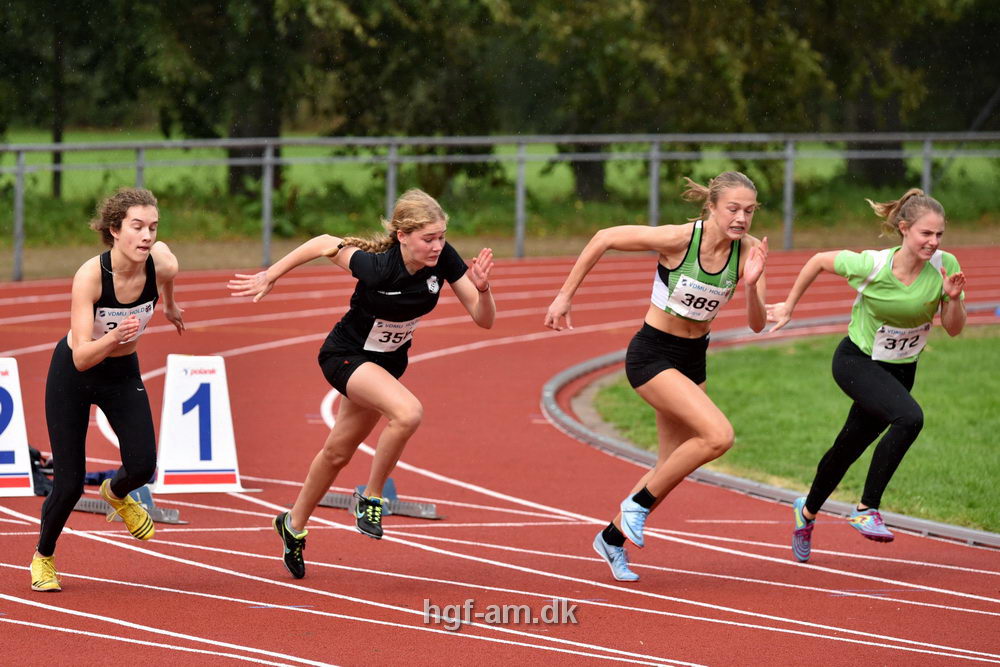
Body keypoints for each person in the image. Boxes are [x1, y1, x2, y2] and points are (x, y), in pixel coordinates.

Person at [228, 189, 495, 579]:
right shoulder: (377, 267)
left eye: (441, 236)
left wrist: (484, 288)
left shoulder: (445, 260)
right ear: (402, 235)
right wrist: (271, 274)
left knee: (338, 451)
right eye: (429, 238)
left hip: (386, 365)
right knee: (408, 413)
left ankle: (292, 523)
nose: (438, 245)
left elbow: (483, 319)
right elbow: (322, 243)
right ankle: (370, 497)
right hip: (346, 356)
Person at [545, 171, 768, 582]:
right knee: (718, 436)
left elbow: (757, 325)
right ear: (712, 208)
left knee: (668, 466)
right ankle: (635, 507)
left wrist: (752, 286)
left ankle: (612, 538)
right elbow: (604, 238)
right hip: (652, 354)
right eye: (733, 209)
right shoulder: (679, 239)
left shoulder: (750, 252)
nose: (741, 218)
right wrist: (565, 295)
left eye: (749, 211)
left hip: (693, 359)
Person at [767, 188, 966, 563]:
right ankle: (866, 508)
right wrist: (789, 307)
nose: (933, 242)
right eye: (926, 233)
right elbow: (817, 261)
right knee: (910, 418)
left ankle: (805, 512)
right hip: (856, 361)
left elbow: (954, 329)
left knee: (849, 445)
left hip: (901, 370)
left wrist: (952, 299)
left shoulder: (945, 265)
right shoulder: (871, 265)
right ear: (904, 229)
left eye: (939, 234)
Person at [31, 187, 185, 592]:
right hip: (74, 375)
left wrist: (168, 304)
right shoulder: (90, 277)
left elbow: (169, 267)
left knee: (142, 465)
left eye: (152, 227)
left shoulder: (161, 264)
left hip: (121, 373)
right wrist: (115, 337)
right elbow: (82, 356)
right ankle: (44, 557)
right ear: (115, 230)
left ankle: (116, 493)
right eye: (137, 227)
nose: (147, 236)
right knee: (67, 483)